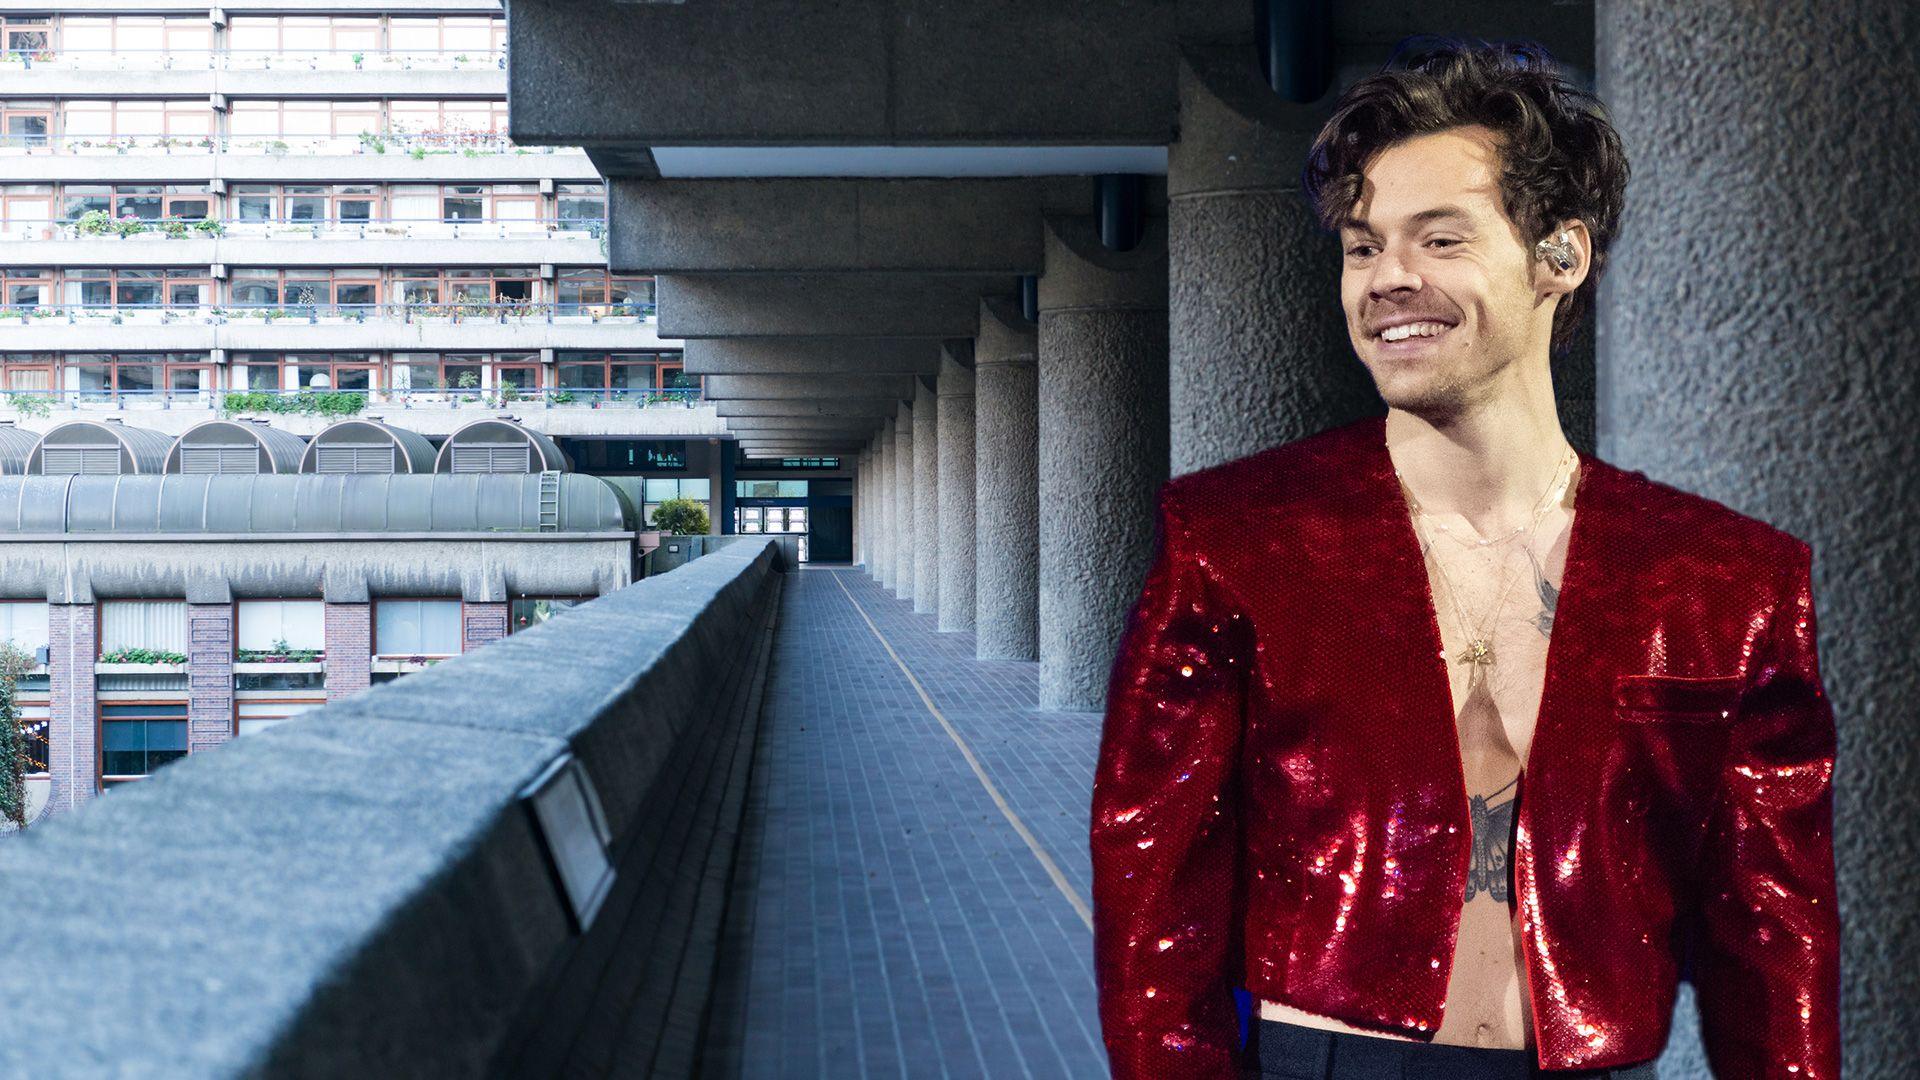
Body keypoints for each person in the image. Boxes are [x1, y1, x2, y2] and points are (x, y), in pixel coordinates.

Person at [1090, 36, 1839, 1080]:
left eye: (1439, 240)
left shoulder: (1727, 581)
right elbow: (1152, 905)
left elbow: (1775, 938)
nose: (1388, 279)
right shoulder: (1234, 540)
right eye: (1362, 246)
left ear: (1560, 257)